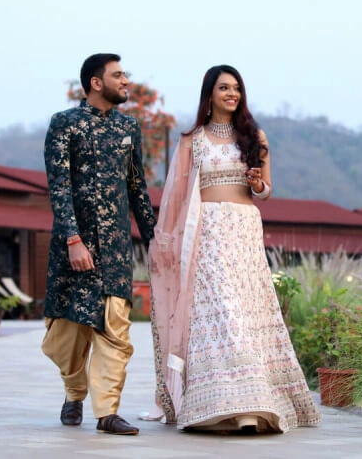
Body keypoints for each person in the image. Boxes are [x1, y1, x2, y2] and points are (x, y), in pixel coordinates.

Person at [147, 64, 321, 433]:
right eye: (224, 87)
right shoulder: (192, 140)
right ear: (209, 94)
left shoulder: (254, 136)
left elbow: (266, 191)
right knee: (223, 312)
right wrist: (166, 243)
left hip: (243, 230)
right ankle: (232, 407)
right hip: (206, 232)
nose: (232, 94)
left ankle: (253, 404)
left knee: (246, 311)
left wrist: (258, 184)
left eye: (237, 88)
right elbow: (176, 197)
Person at [42, 53, 157, 436]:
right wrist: (73, 239)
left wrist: (154, 239)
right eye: (118, 75)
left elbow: (137, 186)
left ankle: (107, 412)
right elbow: (59, 186)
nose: (126, 82)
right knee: (67, 334)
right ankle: (74, 392)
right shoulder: (65, 124)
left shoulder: (128, 127)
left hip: (116, 249)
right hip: (73, 249)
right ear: (96, 82)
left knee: (116, 331)